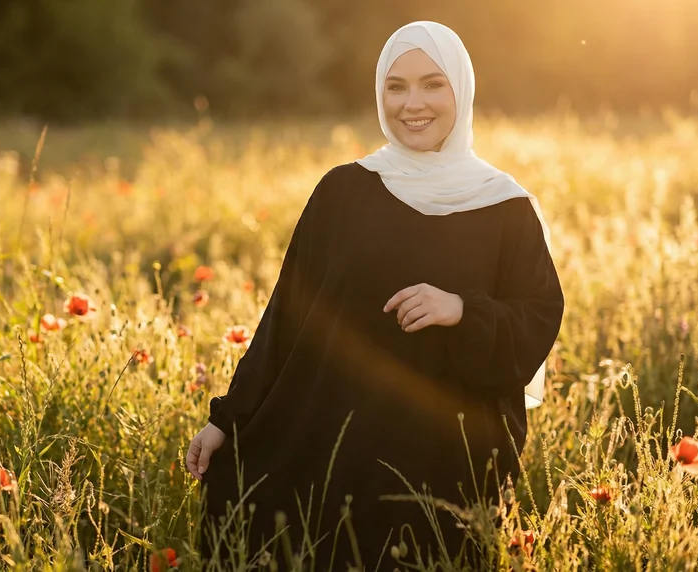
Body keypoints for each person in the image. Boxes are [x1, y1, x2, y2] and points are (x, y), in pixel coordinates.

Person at [186, 20, 564, 571]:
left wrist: (461, 310)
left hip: (439, 461)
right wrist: (228, 419)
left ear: (462, 86)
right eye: (397, 85)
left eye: (433, 84)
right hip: (329, 451)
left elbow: (537, 316)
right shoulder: (343, 190)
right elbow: (286, 320)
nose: (413, 103)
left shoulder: (503, 207)